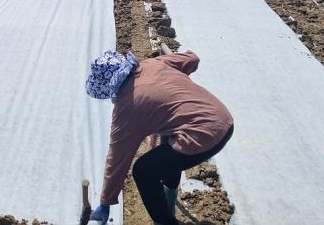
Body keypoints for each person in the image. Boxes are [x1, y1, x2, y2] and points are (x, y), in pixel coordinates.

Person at [86, 50, 234, 225]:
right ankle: (170, 192)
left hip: (204, 135)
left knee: (144, 171)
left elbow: (117, 158)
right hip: (223, 118)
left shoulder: (127, 106)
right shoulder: (153, 64)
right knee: (167, 150)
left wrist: (105, 202)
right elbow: (192, 58)